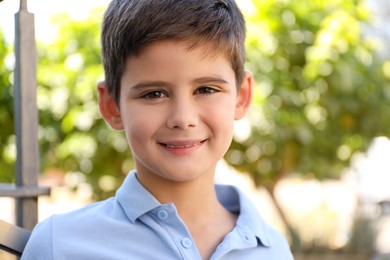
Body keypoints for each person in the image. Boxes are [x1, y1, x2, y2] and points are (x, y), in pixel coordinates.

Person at [22, 0, 293, 259]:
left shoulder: (273, 249)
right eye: (154, 94)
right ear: (111, 105)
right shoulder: (59, 245)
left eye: (206, 89)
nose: (183, 118)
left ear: (241, 96)